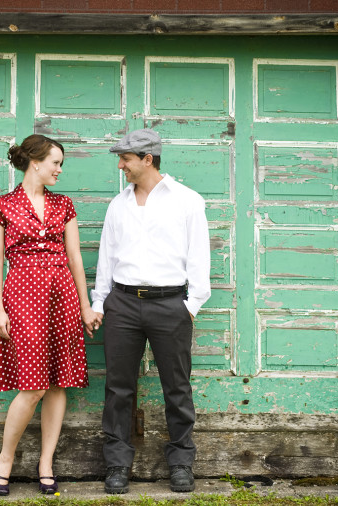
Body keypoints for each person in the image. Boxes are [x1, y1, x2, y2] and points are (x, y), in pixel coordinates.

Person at [91, 128, 211, 494]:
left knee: (176, 387)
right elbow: (106, 257)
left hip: (170, 304)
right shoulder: (118, 204)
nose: (120, 164)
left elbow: (199, 255)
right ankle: (116, 466)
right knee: (118, 388)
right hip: (123, 304)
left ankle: (180, 463)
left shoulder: (187, 201)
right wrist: (100, 302)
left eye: (126, 158)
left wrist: (190, 305)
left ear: (148, 159)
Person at [0, 134, 101, 496]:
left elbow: (75, 258)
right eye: (55, 162)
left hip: (61, 295)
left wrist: (84, 304)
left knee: (57, 381)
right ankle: (5, 459)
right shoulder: (1, 206)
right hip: (21, 295)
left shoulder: (64, 205)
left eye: (61, 164)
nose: (59, 170)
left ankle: (46, 463)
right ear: (35, 162)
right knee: (32, 385)